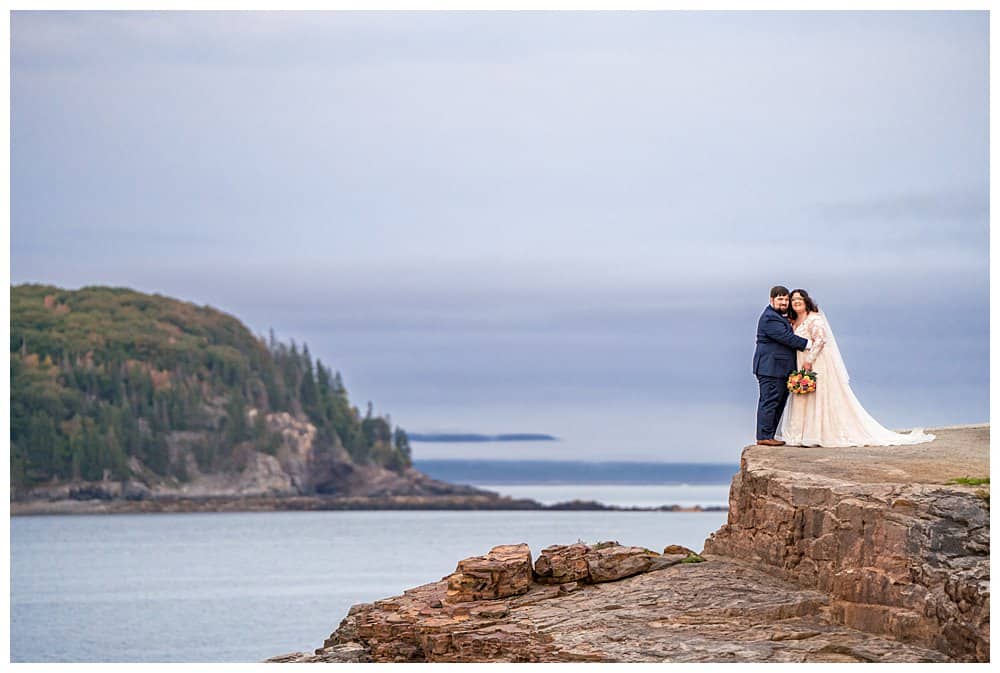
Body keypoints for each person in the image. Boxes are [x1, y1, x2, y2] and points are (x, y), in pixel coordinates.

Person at [776, 289, 935, 447]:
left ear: (806, 301)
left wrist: (810, 360)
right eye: (793, 299)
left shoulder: (814, 319)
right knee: (804, 396)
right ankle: (801, 433)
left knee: (818, 395)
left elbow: (821, 339)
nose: (796, 301)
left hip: (815, 362)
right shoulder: (793, 320)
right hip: (800, 362)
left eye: (800, 299)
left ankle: (818, 433)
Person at [753, 286, 811, 446]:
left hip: (779, 368)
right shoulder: (769, 318)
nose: (784, 302)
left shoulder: (780, 317)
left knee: (778, 401)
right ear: (771, 300)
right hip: (770, 368)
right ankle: (764, 436)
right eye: (780, 299)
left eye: (786, 299)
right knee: (770, 401)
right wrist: (809, 343)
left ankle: (769, 435)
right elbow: (786, 338)